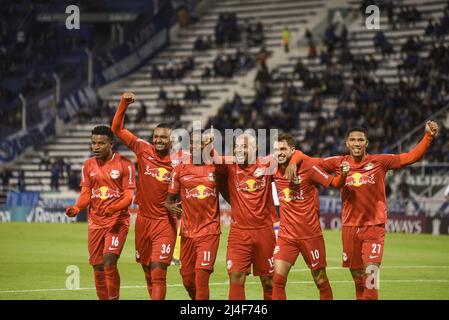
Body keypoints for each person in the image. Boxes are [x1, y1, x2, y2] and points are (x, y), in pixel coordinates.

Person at [286, 120, 440, 300]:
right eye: (353, 140)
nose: (356, 143)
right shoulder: (338, 162)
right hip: (350, 228)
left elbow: (410, 157)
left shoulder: (379, 162)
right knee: (358, 279)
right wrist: (292, 163)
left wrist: (428, 136)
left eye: (360, 140)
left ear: (366, 143)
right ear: (347, 143)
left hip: (374, 226)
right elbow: (306, 159)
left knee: (371, 274)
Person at [111, 92, 187, 300]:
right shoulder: (143, 149)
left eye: (163, 137)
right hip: (143, 221)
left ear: (172, 139)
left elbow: (207, 169)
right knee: (146, 270)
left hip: (165, 222)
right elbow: (116, 129)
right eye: (156, 137)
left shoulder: (182, 159)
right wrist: (123, 103)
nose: (159, 140)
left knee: (158, 270)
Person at [271, 133, 349, 300]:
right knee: (277, 280)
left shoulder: (308, 166)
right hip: (286, 236)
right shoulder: (273, 169)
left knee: (320, 280)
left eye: (283, 149)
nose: (279, 153)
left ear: (292, 150)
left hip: (310, 235)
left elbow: (335, 183)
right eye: (276, 150)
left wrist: (343, 176)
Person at [65, 125, 135, 300]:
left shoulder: (125, 165)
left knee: (109, 261)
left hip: (117, 221)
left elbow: (128, 196)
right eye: (93, 143)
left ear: (111, 143)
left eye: (101, 143)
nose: (95, 147)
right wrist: (77, 208)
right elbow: (86, 193)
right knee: (97, 266)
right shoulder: (88, 165)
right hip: (95, 223)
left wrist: (114, 208)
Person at [214, 132, 279, 300]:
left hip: (265, 231)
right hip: (239, 233)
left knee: (269, 281)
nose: (239, 150)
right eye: (237, 146)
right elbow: (210, 159)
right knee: (236, 277)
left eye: (244, 146)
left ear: (255, 148)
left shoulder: (267, 164)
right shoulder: (230, 166)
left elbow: (293, 153)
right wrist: (209, 146)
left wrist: (293, 162)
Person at [165, 132, 221, 300]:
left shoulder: (216, 166)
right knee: (188, 279)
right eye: (192, 144)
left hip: (210, 231)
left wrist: (212, 149)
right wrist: (171, 207)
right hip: (188, 232)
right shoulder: (180, 168)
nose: (195, 147)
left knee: (201, 276)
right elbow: (169, 200)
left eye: (200, 143)